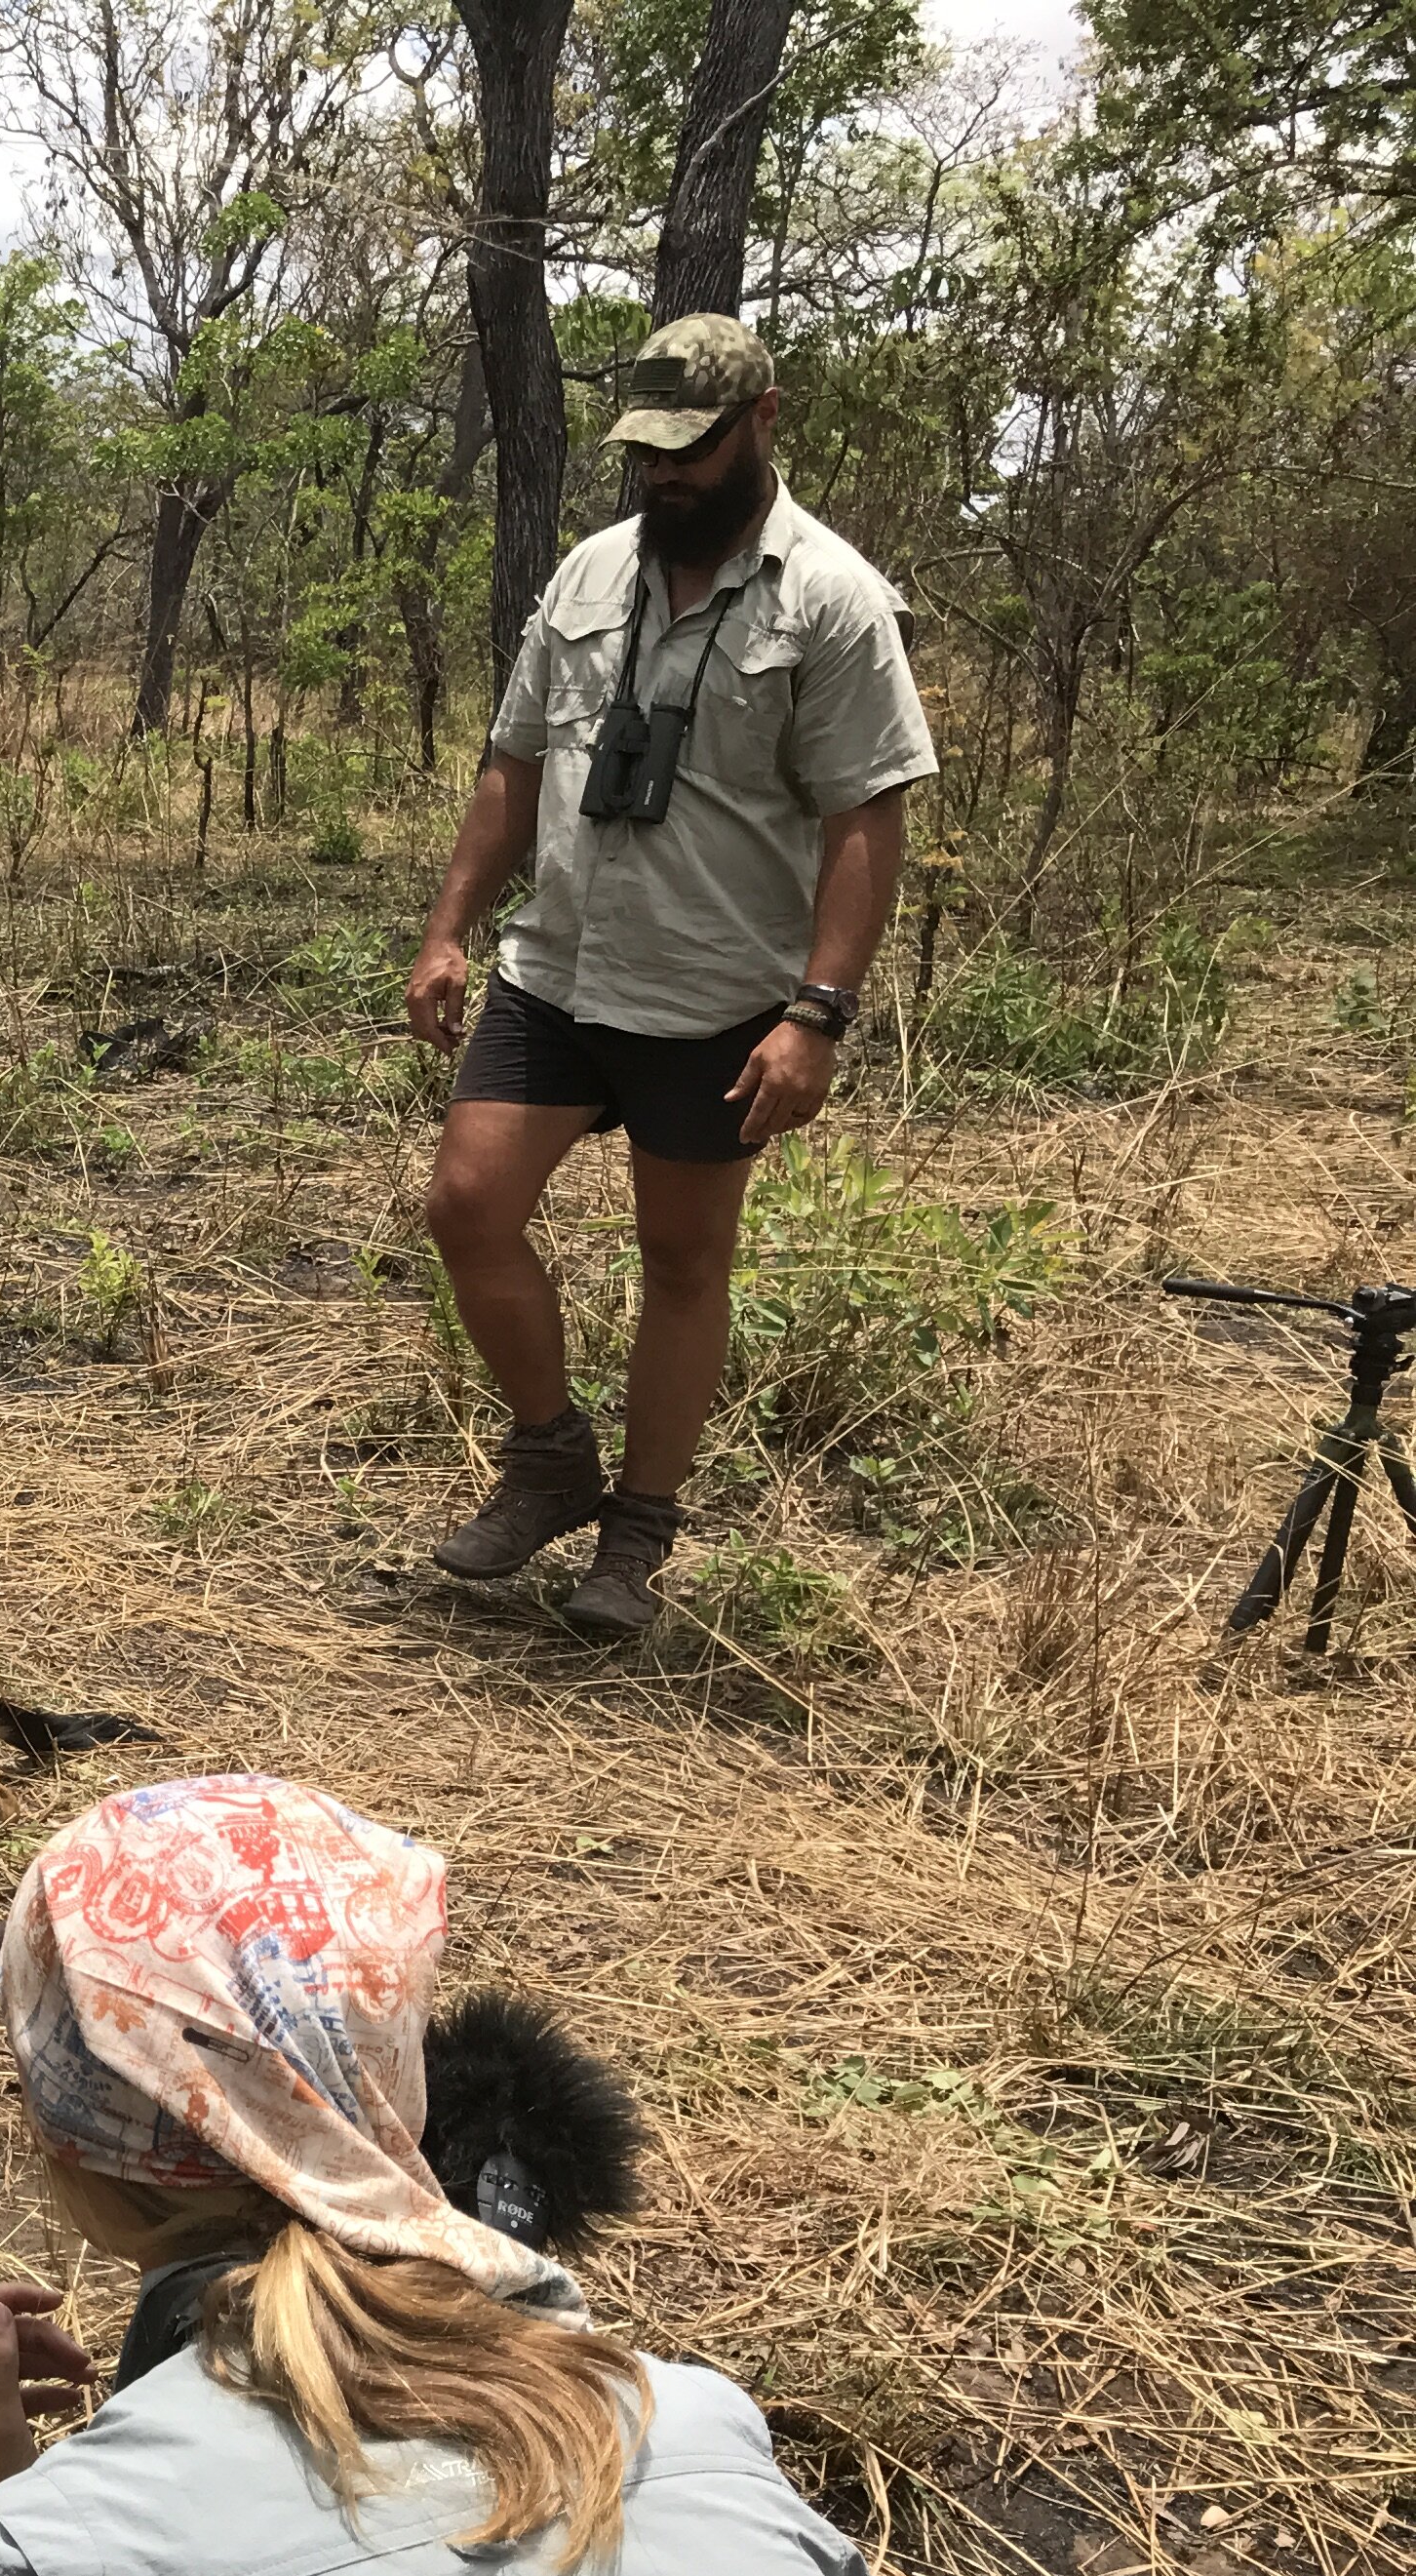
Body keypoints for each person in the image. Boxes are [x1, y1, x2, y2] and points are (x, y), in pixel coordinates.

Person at [0, 1775, 1018, 2576]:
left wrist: (2, 2529)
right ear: (397, 2074)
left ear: (71, 2128)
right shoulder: (693, 2430)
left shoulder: (42, 2571)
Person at [404, 314, 937, 1636]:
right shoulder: (589, 576)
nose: (667, 480)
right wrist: (450, 925)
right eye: (648, 456)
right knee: (469, 1205)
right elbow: (515, 762)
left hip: (717, 989)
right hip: (560, 966)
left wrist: (817, 1012)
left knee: (683, 1260)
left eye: (692, 452)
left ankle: (635, 1535)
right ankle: (548, 1459)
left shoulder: (832, 599)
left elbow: (867, 817)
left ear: (763, 421)